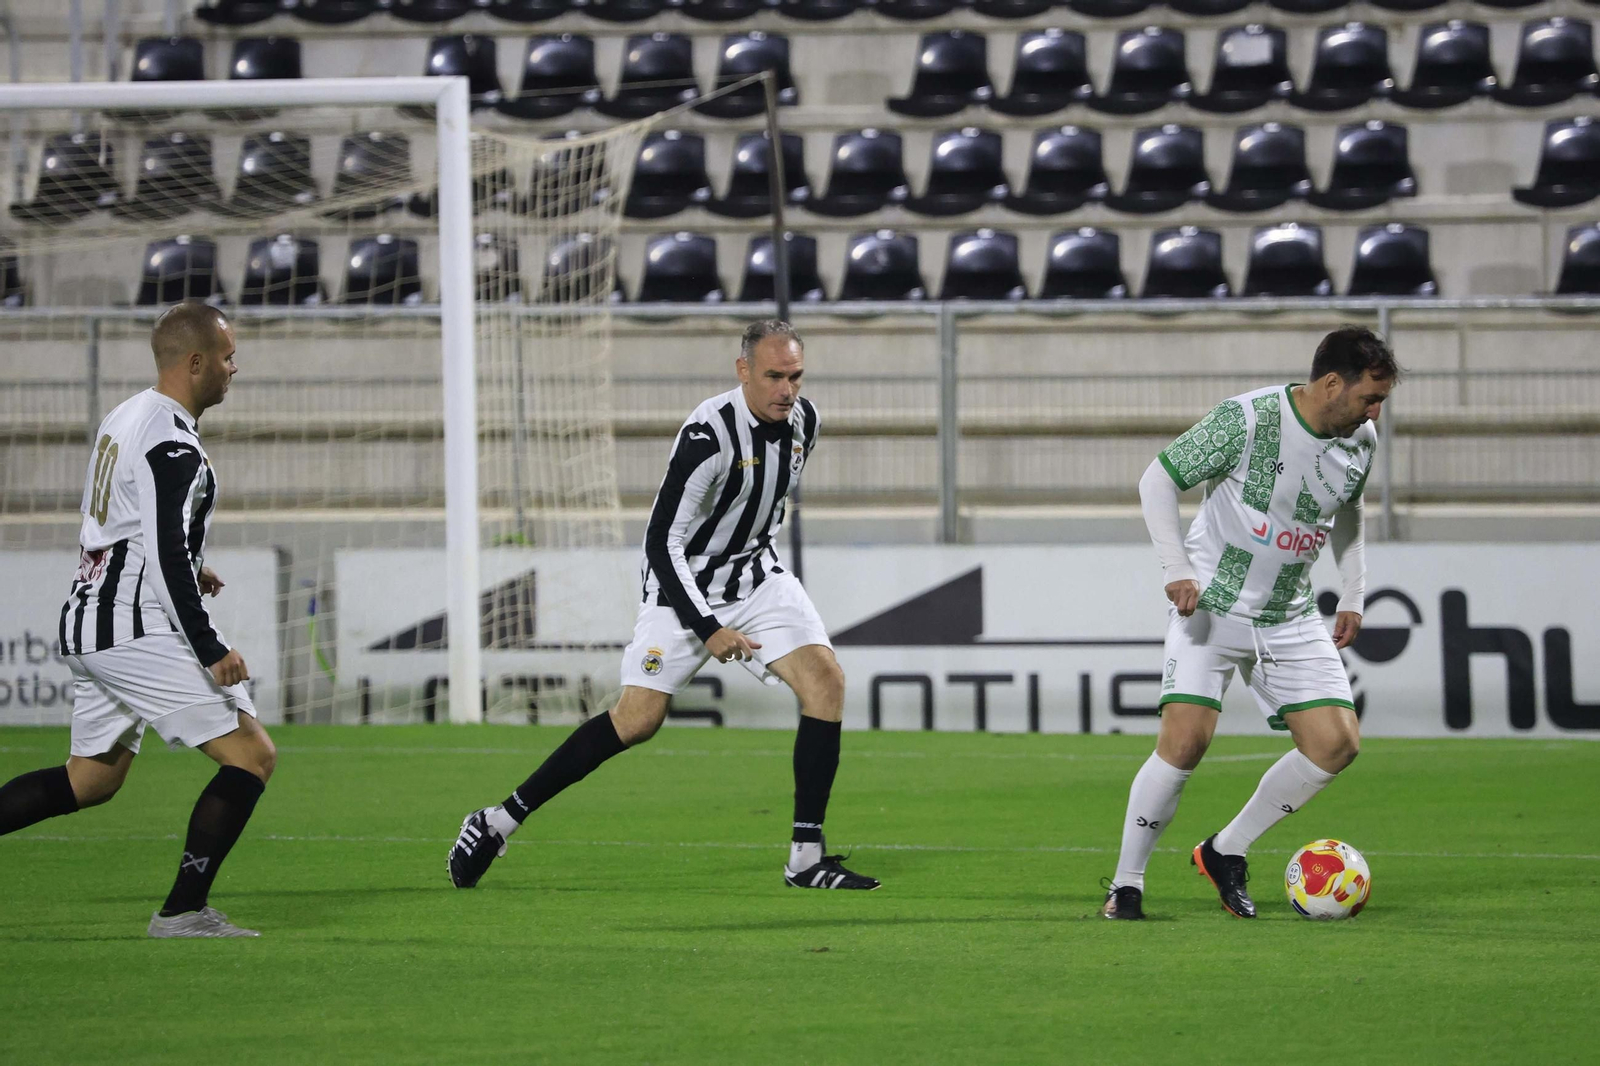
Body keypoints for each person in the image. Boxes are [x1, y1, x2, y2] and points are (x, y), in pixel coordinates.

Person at [449, 320, 878, 891]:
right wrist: (707, 626)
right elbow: (661, 541)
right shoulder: (709, 435)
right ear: (743, 370)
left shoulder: (807, 422)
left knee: (827, 683)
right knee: (637, 720)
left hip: (755, 577)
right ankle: (498, 820)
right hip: (683, 587)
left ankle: (805, 858)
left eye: (795, 376)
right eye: (774, 376)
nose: (787, 389)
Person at [1101, 326, 1400, 920]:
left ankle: (1224, 850)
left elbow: (1349, 511)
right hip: (1210, 605)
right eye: (1371, 397)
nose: (1377, 412)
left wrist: (1354, 592)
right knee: (1185, 741)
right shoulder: (1248, 419)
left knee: (1336, 745)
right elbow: (1158, 478)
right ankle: (1126, 885)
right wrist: (1175, 568)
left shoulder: (1359, 439)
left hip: (1289, 613)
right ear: (1333, 383)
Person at [0, 300, 276, 938]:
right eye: (229, 356)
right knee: (251, 756)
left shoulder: (126, 415)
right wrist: (209, 647)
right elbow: (164, 555)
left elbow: (129, 526)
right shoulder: (172, 440)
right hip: (131, 626)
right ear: (196, 361)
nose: (237, 367)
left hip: (90, 616)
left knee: (89, 780)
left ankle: (186, 910)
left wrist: (188, 561)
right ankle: (183, 913)